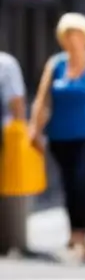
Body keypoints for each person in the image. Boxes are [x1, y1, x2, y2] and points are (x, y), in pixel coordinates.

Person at [27, 13, 85, 261]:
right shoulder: (56, 65)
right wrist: (34, 128)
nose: (72, 39)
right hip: (60, 134)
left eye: (76, 34)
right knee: (68, 183)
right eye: (67, 35)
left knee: (81, 179)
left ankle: (83, 234)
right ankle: (73, 233)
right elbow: (42, 99)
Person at [0, 49, 28, 255]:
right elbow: (17, 101)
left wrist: (20, 135)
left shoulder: (6, 63)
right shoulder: (6, 63)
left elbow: (16, 102)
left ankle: (11, 241)